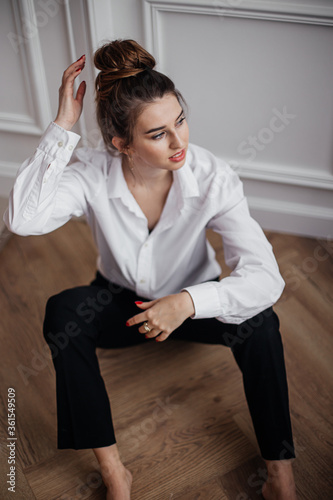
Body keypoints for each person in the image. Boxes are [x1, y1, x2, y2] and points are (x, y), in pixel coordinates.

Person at [4, 39, 298, 500]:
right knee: (63, 312)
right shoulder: (91, 173)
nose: (180, 141)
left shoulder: (212, 177)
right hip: (122, 302)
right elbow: (23, 219)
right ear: (122, 143)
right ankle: (115, 471)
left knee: (262, 319)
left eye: (180, 120)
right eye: (158, 134)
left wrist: (188, 302)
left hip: (195, 301)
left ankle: (280, 473)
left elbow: (267, 277)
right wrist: (63, 124)